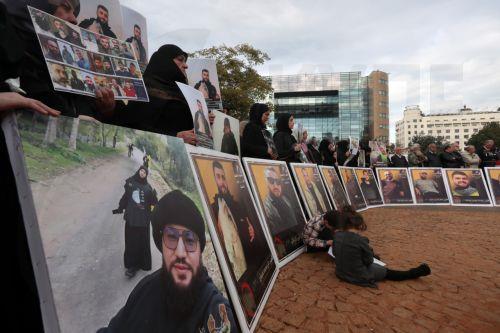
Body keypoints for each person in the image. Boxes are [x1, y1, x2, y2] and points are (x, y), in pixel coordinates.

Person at [101, 190, 237, 332]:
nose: (180, 253)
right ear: (161, 246)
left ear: (200, 251)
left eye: (190, 240)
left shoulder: (214, 308)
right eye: (171, 237)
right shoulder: (145, 290)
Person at [7, 0, 116, 118]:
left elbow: (76, 110)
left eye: (74, 13)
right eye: (65, 7)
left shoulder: (70, 64)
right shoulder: (8, 46)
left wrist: (104, 108)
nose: (74, 19)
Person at [105, 44, 196, 144]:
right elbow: (133, 127)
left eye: (185, 61)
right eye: (180, 60)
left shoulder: (181, 91)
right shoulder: (144, 90)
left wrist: (200, 119)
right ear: (165, 61)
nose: (185, 65)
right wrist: (175, 138)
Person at [334, 207, 431, 288]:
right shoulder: (359, 240)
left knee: (374, 259)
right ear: (359, 225)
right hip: (358, 275)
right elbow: (368, 261)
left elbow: (336, 253)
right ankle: (417, 272)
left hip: (340, 272)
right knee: (389, 273)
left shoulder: (337, 236)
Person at [210, 161, 266, 283]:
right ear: (215, 180)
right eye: (218, 177)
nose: (222, 181)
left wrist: (250, 226)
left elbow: (247, 222)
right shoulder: (213, 209)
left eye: (223, 177)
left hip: (250, 259)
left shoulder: (237, 205)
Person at [112, 166, 158, 278]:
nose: (143, 173)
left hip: (143, 221)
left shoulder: (148, 188)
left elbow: (153, 204)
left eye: (145, 172)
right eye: (141, 171)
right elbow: (125, 198)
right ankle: (131, 266)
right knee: (131, 243)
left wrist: (154, 197)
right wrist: (120, 208)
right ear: (138, 171)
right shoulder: (131, 183)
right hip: (131, 219)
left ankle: (140, 264)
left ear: (146, 175)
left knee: (141, 243)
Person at [262, 167, 300, 235]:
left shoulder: (286, 198)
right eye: (271, 180)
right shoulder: (266, 207)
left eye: (278, 181)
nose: (275, 185)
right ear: (266, 182)